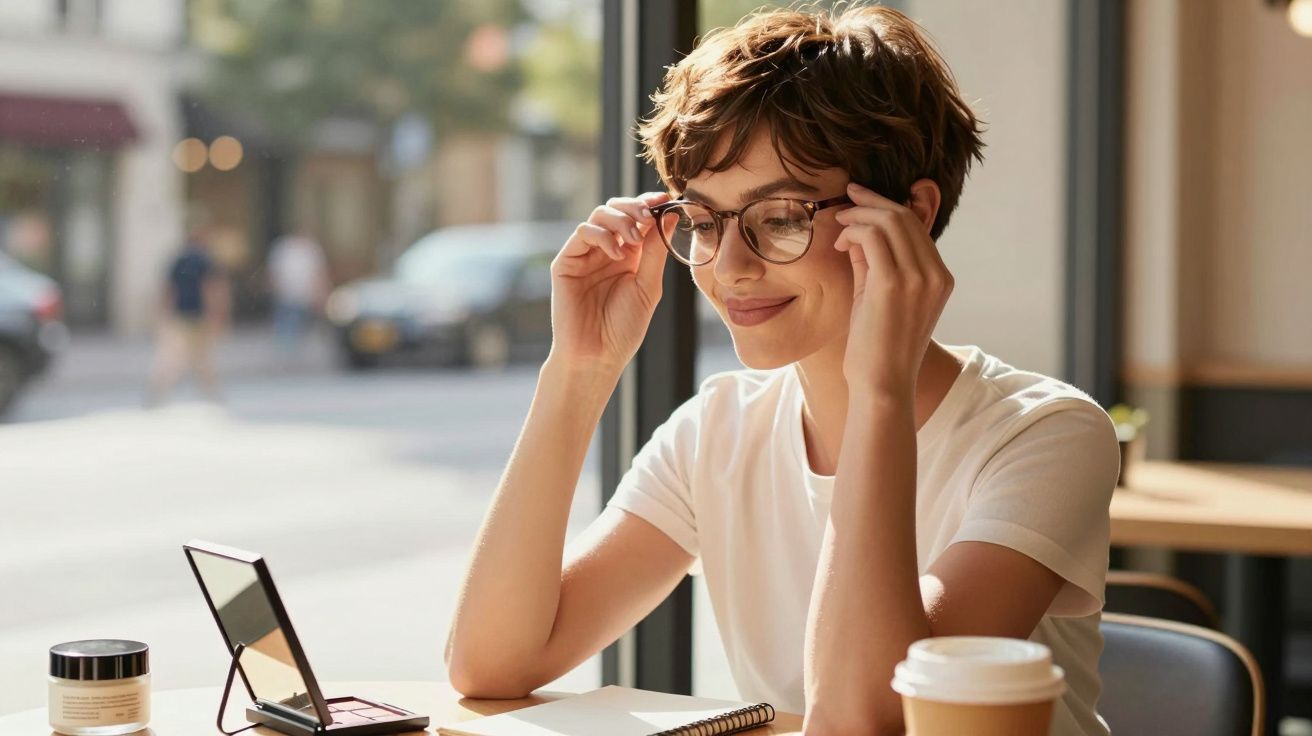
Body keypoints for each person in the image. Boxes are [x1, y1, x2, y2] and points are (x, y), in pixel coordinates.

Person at [445, 6, 1118, 736]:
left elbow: (866, 721)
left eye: (784, 216)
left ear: (911, 213)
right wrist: (578, 369)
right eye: (703, 222)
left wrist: (878, 393)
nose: (730, 267)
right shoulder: (718, 430)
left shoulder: (1046, 435)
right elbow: (491, 663)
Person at [146, 207, 230, 406]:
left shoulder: (179, 258)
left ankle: (158, 394)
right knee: (201, 358)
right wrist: (217, 315)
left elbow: (168, 289)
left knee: (173, 358)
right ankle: (212, 396)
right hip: (197, 316)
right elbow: (211, 289)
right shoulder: (205, 260)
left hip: (180, 314)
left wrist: (161, 313)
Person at [267, 226, 329, 353]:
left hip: (304, 293)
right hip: (285, 292)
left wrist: (319, 291)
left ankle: (293, 346)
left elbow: (318, 272)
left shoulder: (311, 249)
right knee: (285, 319)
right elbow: (274, 269)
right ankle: (284, 347)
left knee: (299, 321)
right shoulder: (283, 247)